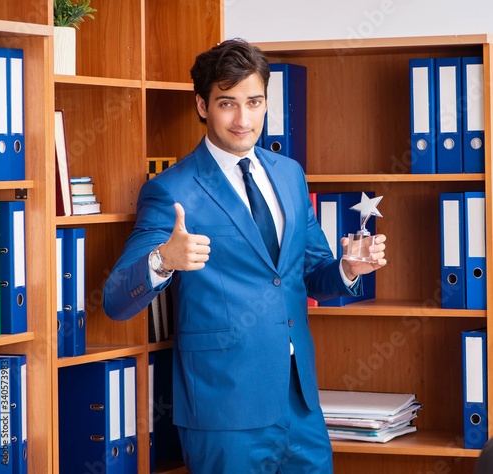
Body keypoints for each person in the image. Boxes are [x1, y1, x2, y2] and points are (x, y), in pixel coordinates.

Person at [103, 38, 387, 474]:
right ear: (202, 106)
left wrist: (349, 268)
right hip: (223, 410)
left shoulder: (289, 174)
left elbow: (310, 274)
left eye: (254, 102)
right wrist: (164, 259)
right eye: (227, 104)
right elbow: (116, 301)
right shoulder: (170, 190)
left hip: (301, 405)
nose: (243, 119)